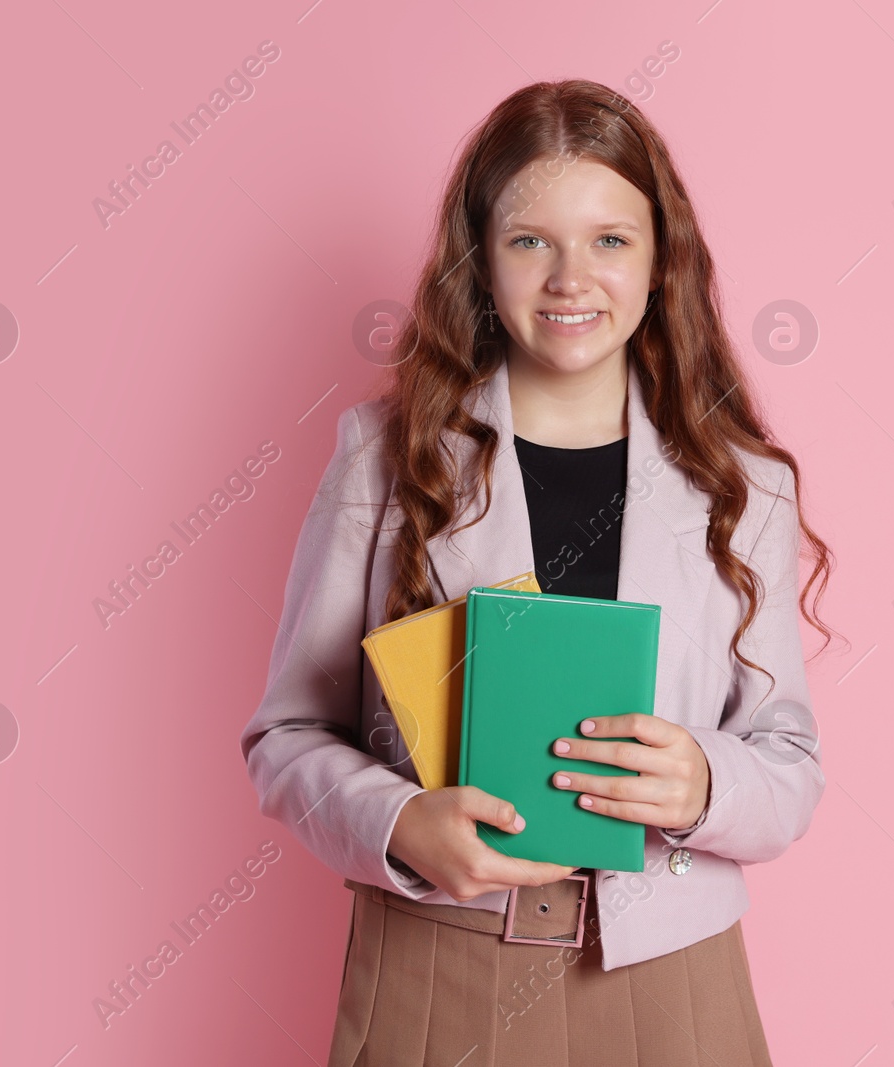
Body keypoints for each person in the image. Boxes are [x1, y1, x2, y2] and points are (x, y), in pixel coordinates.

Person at [239, 78, 837, 1067]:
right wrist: (398, 821)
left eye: (609, 239)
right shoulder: (385, 457)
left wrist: (703, 780)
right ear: (481, 258)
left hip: (670, 974)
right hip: (439, 961)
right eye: (530, 241)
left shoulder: (745, 485)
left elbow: (789, 766)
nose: (571, 278)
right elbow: (287, 733)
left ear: (659, 259)